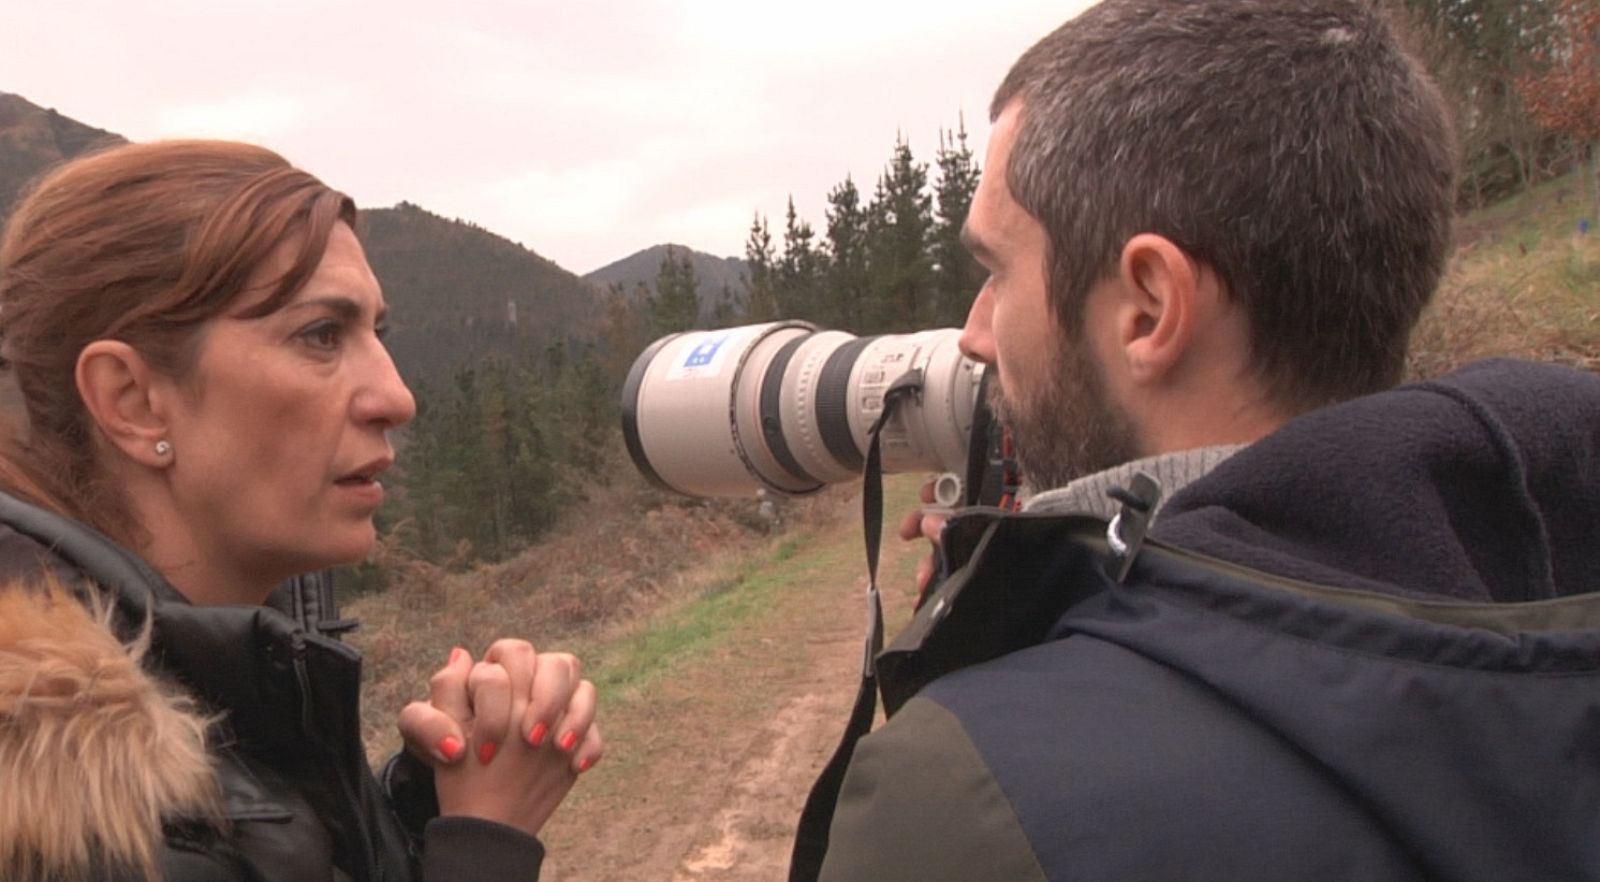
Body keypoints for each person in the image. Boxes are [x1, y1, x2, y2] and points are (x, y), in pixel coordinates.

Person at [814, 1, 1600, 879]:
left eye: (997, 273)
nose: (972, 333)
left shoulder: (967, 799)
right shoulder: (1547, 585)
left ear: (1150, 307)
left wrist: (994, 702)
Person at [0, 140, 601, 882]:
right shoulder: (72, 810)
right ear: (132, 400)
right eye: (321, 335)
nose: (397, 397)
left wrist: (425, 811)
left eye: (375, 334)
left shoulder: (218, 684)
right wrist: (482, 847)